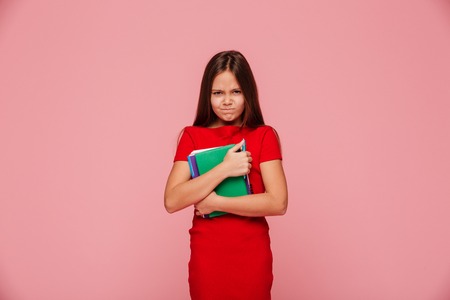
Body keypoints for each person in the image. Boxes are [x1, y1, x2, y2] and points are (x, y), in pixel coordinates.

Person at [164, 50, 288, 300]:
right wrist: (226, 168)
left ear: (248, 94)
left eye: (236, 92)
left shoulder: (264, 135)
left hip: (251, 253)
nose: (227, 101)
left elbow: (278, 202)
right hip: (207, 254)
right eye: (218, 93)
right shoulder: (191, 136)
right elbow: (172, 200)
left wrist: (216, 203)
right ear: (206, 95)